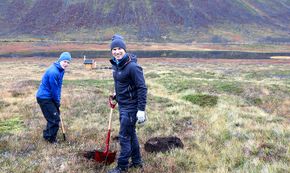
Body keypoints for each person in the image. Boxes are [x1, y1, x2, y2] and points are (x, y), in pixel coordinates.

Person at [108, 34, 147, 173]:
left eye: (119, 49)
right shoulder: (117, 65)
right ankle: (136, 162)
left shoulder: (132, 67)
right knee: (131, 134)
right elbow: (124, 84)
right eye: (114, 49)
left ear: (124, 49)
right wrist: (117, 95)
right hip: (123, 105)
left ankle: (122, 166)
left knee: (124, 137)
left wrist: (141, 110)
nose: (117, 51)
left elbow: (142, 88)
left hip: (131, 108)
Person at [36, 52, 72, 144]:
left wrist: (57, 100)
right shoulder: (54, 72)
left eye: (68, 62)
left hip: (49, 97)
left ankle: (47, 136)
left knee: (52, 117)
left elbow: (59, 86)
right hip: (45, 98)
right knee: (54, 119)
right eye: (64, 61)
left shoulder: (61, 70)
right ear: (60, 60)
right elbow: (54, 89)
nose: (66, 64)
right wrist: (57, 102)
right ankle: (50, 139)